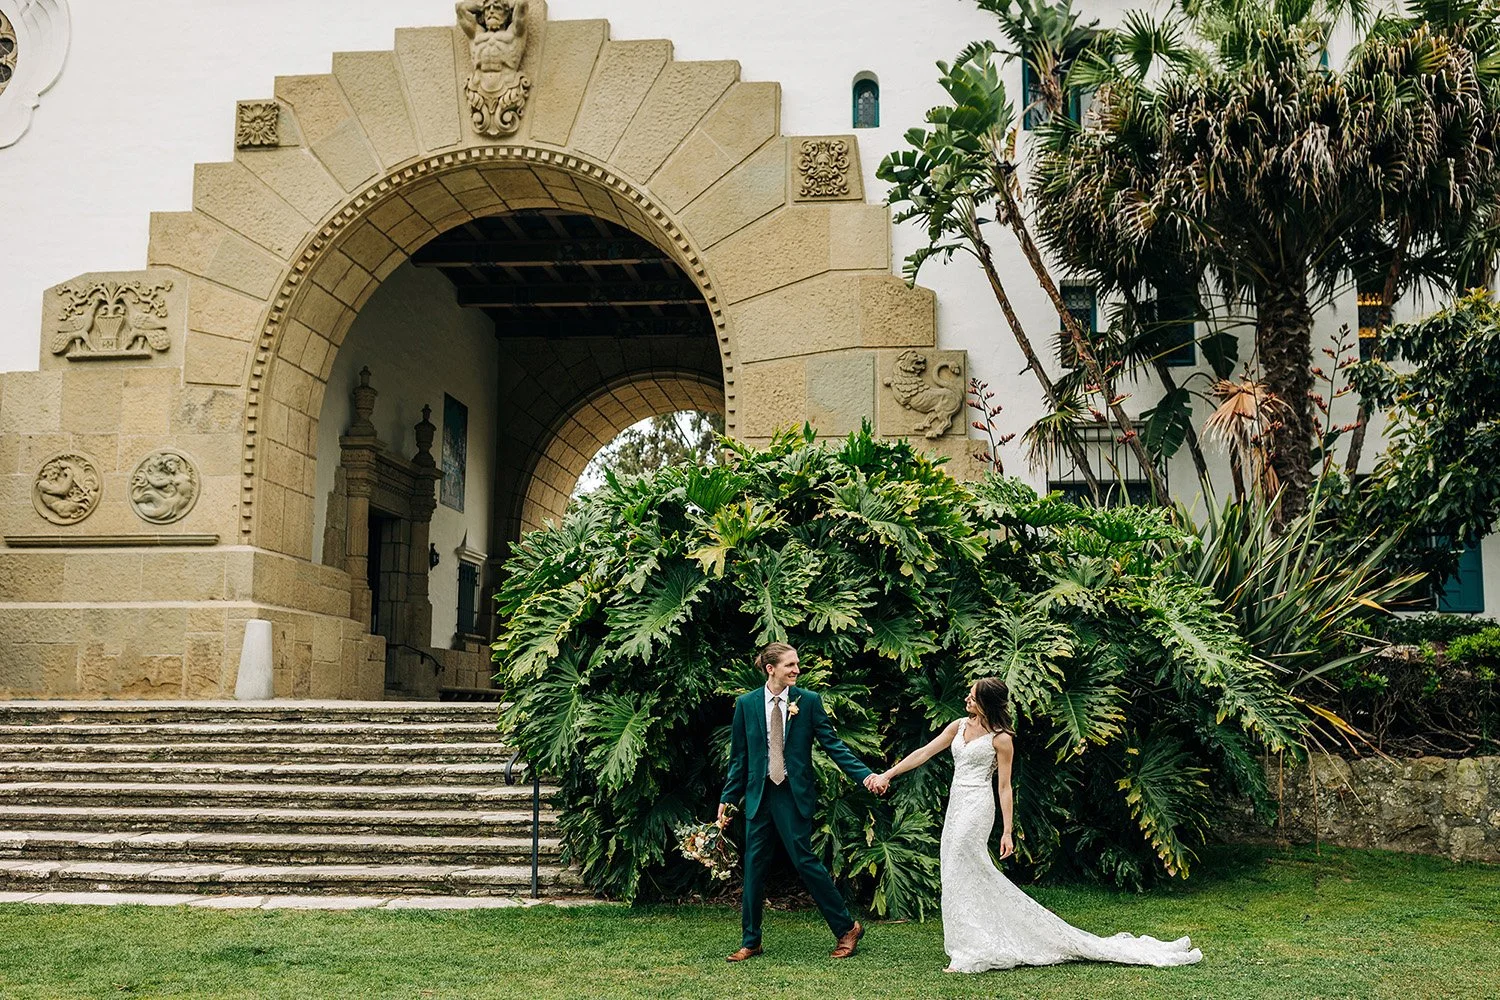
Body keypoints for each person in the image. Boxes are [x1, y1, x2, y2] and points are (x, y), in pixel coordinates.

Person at [875, 676, 1203, 973]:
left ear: (985, 703)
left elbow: (1004, 787)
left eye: (972, 697)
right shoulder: (958, 726)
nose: (966, 700)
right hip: (956, 805)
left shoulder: (1001, 739)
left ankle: (971, 950)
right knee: (955, 867)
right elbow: (923, 753)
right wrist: (887, 774)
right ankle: (972, 941)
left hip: (978, 806)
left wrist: (1006, 831)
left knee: (964, 861)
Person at [718, 642, 887, 962]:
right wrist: (728, 799)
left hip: (792, 796)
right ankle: (751, 940)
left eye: (797, 664)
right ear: (771, 669)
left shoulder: (808, 702)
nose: (797, 669)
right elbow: (738, 758)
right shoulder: (746, 704)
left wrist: (866, 776)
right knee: (753, 869)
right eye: (790, 665)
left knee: (805, 863)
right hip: (758, 796)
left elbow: (834, 746)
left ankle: (847, 928)